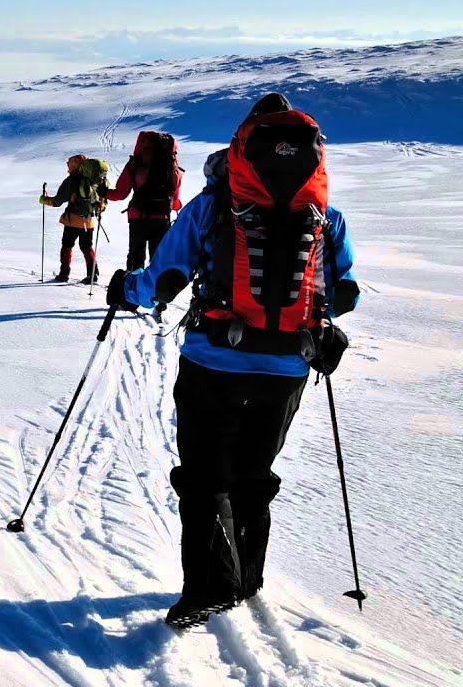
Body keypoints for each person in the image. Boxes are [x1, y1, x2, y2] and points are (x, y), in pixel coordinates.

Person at [105, 93, 360, 629]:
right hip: (288, 366)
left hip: (213, 361)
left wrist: (125, 288)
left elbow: (162, 280)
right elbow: (341, 295)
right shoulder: (325, 215)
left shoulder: (212, 206)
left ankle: (208, 588)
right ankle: (246, 580)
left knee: (203, 476)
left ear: (242, 143)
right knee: (252, 473)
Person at [104, 131, 184, 271]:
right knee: (159, 260)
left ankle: (134, 283)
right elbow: (174, 198)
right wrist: (176, 206)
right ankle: (155, 284)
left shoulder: (136, 164)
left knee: (136, 258)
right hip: (162, 218)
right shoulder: (172, 167)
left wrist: (104, 193)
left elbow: (121, 194)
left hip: (138, 217)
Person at [39, 154, 107, 283]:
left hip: (72, 220)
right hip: (88, 221)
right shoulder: (93, 181)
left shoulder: (71, 181)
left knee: (67, 246)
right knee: (87, 247)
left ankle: (64, 274)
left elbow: (57, 201)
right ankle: (92, 274)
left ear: (74, 165)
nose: (68, 167)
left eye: (69, 164)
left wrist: (43, 199)